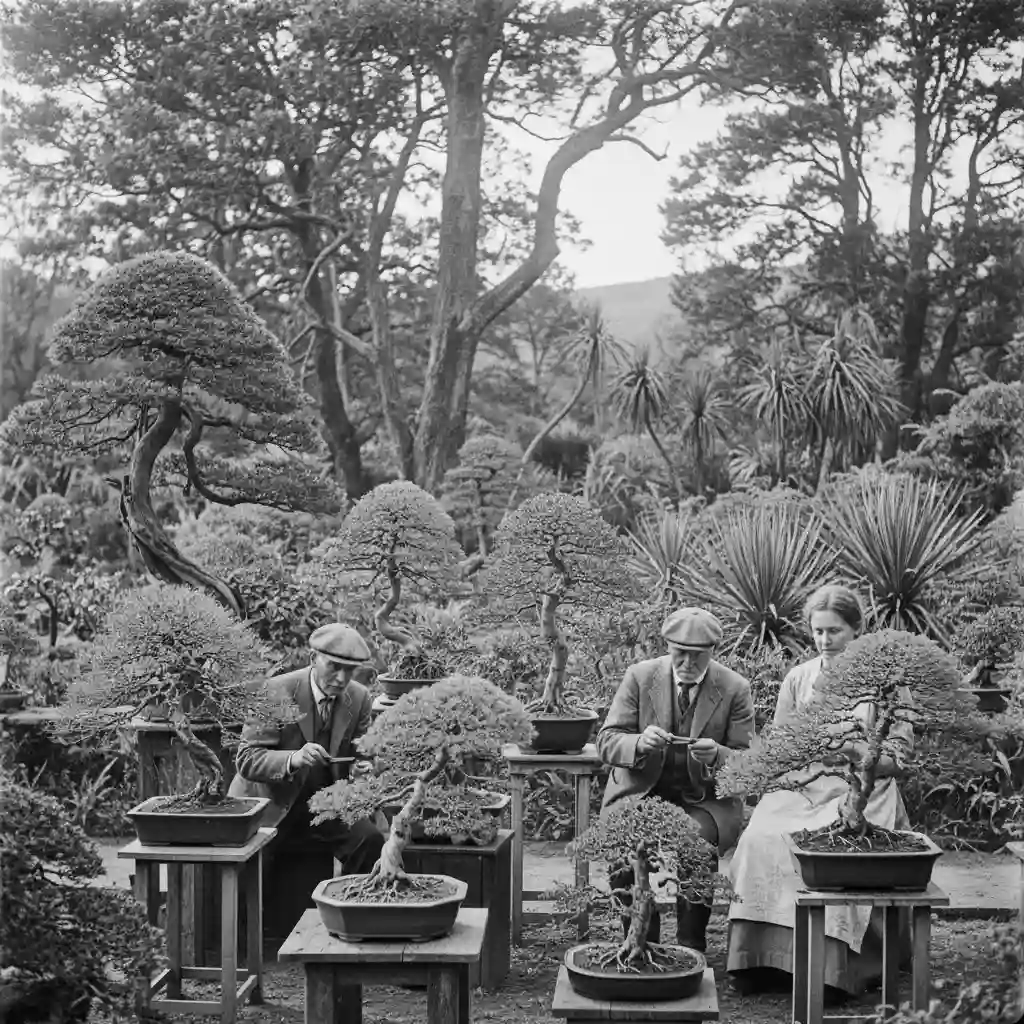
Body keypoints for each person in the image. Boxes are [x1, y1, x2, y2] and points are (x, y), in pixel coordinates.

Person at [726, 584, 913, 998]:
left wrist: (852, 748)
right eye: (818, 632)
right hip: (804, 785)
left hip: (864, 788)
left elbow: (899, 758)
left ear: (857, 630)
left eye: (835, 631)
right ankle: (761, 961)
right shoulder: (799, 678)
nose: (825, 641)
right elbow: (779, 745)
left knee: (835, 852)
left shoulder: (888, 683)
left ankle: (832, 970)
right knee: (761, 838)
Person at [597, 606, 755, 952]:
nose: (687, 662)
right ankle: (639, 939)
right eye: (679, 653)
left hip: (703, 798)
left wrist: (718, 755)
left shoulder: (734, 688)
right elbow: (607, 740)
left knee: (697, 843)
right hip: (641, 792)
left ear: (714, 652)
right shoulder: (640, 677)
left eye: (697, 656)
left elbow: (747, 763)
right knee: (625, 844)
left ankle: (690, 945)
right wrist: (638, 742)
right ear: (667, 646)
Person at [228, 622, 385, 876]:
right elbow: (247, 759)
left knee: (369, 840)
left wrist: (363, 768)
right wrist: (294, 758)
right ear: (314, 658)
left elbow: (364, 753)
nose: (342, 678)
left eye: (350, 670)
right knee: (265, 890)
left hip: (328, 806)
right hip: (274, 805)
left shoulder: (359, 698)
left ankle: (348, 907)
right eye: (334, 666)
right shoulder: (276, 690)